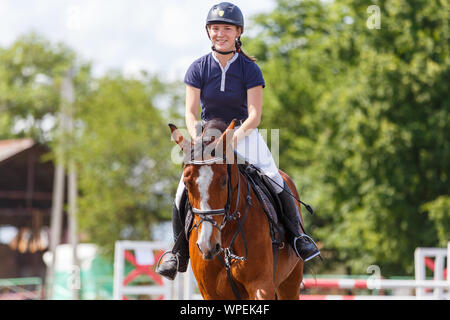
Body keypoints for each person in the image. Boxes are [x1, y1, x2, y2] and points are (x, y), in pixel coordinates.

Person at [157, 2, 320, 281]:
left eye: (227, 29)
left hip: (243, 133)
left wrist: (234, 138)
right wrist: (198, 137)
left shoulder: (249, 69)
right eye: (216, 28)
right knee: (181, 190)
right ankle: (178, 251)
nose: (221, 33)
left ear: (238, 32)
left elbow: (255, 114)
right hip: (207, 134)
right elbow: (190, 111)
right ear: (208, 31)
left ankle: (298, 238)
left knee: (274, 177)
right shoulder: (197, 68)